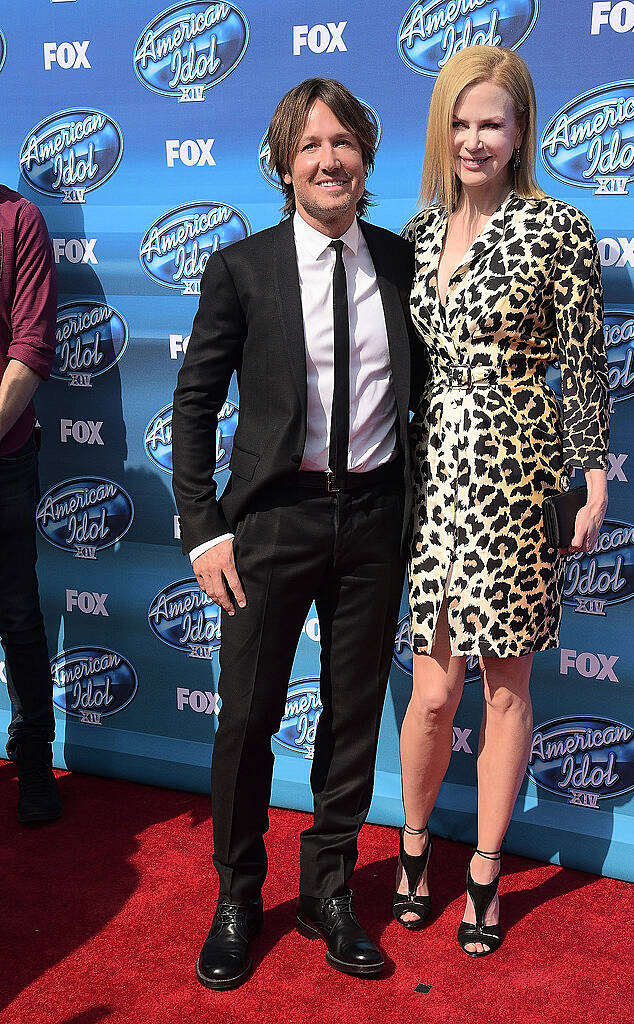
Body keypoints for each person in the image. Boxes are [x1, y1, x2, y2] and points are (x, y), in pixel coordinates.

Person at [171, 78, 425, 988]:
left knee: (352, 717)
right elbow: (194, 403)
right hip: (273, 520)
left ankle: (329, 896)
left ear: (367, 156)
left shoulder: (400, 264)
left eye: (344, 143)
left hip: (373, 520)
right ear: (284, 164)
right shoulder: (240, 268)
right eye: (310, 145)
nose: (330, 160)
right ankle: (238, 895)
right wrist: (203, 529)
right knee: (246, 718)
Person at [393, 46, 609, 956]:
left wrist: (589, 475)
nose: (475, 139)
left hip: (516, 470)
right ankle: (411, 849)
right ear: (444, 129)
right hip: (436, 472)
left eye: (494, 122)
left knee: (505, 687)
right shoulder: (415, 230)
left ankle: (484, 866)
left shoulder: (558, 229)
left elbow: (586, 363)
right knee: (434, 691)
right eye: (462, 121)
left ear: (522, 132)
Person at [0, 184, 60, 824]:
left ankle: (34, 762)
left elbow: (31, 346)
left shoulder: (19, 220)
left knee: (16, 611)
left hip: (5, 453)